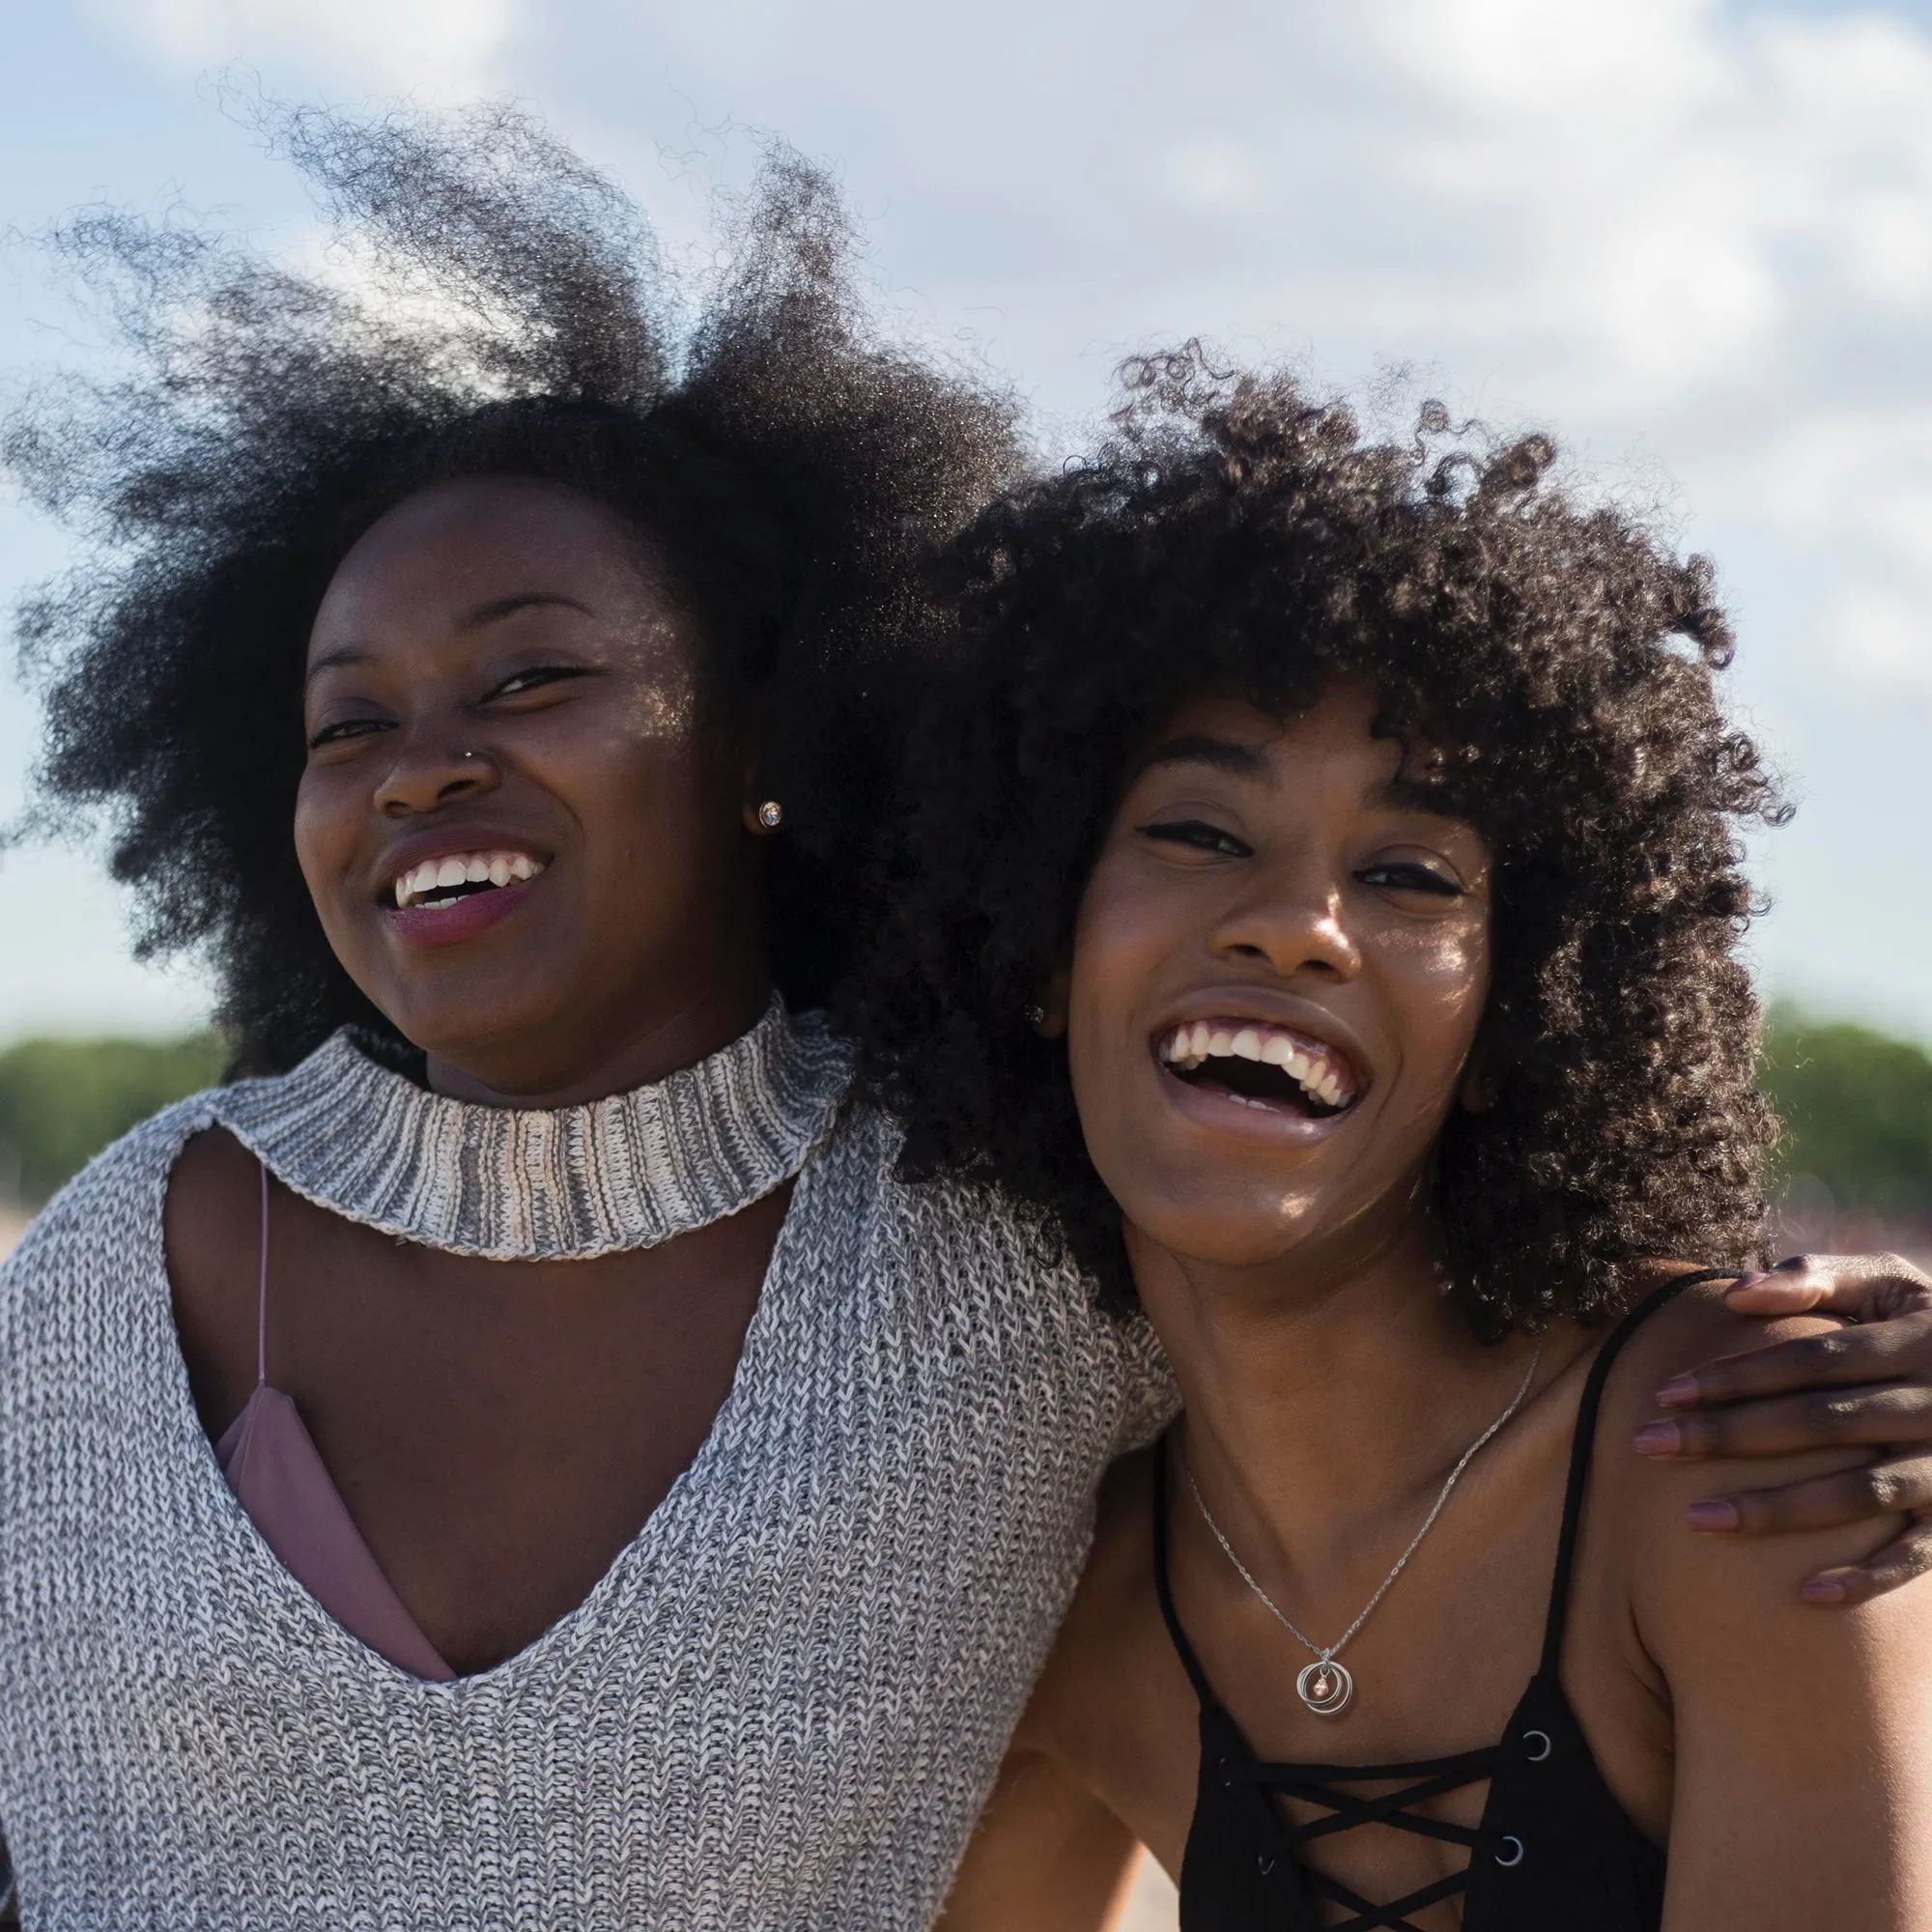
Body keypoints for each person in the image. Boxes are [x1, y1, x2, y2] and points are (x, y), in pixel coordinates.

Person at [0, 112, 1926, 1928]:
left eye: (532, 677)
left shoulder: (994, 1254)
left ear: (772, 741)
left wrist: (1862, 1349)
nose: (423, 768)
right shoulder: (104, 1269)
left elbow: (1385, 1280)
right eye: (350, 722)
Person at [845, 355, 1932, 1929]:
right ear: (1031, 945)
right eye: (1200, 832)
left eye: (1414, 873)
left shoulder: (1749, 1451)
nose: (1295, 926)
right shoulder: (1072, 1606)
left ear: (1519, 1018)